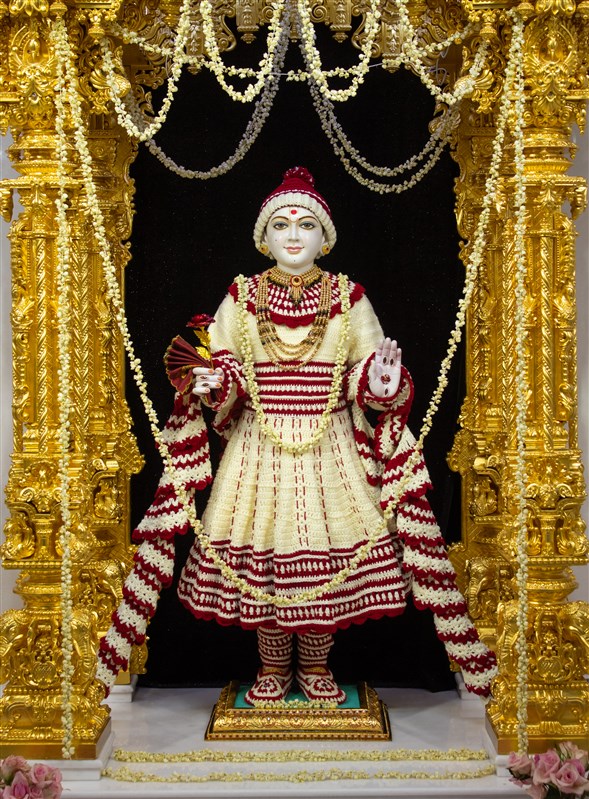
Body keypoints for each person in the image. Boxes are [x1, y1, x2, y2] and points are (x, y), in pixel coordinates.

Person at [97, 168, 496, 702]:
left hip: (329, 446)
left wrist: (379, 381)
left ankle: (314, 666)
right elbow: (225, 363)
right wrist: (214, 380)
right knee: (262, 556)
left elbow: (367, 370)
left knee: (322, 555)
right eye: (281, 225)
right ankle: (271, 667)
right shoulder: (242, 296)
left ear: (324, 238)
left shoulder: (348, 297)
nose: (293, 235)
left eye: (306, 225)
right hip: (258, 447)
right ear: (263, 237)